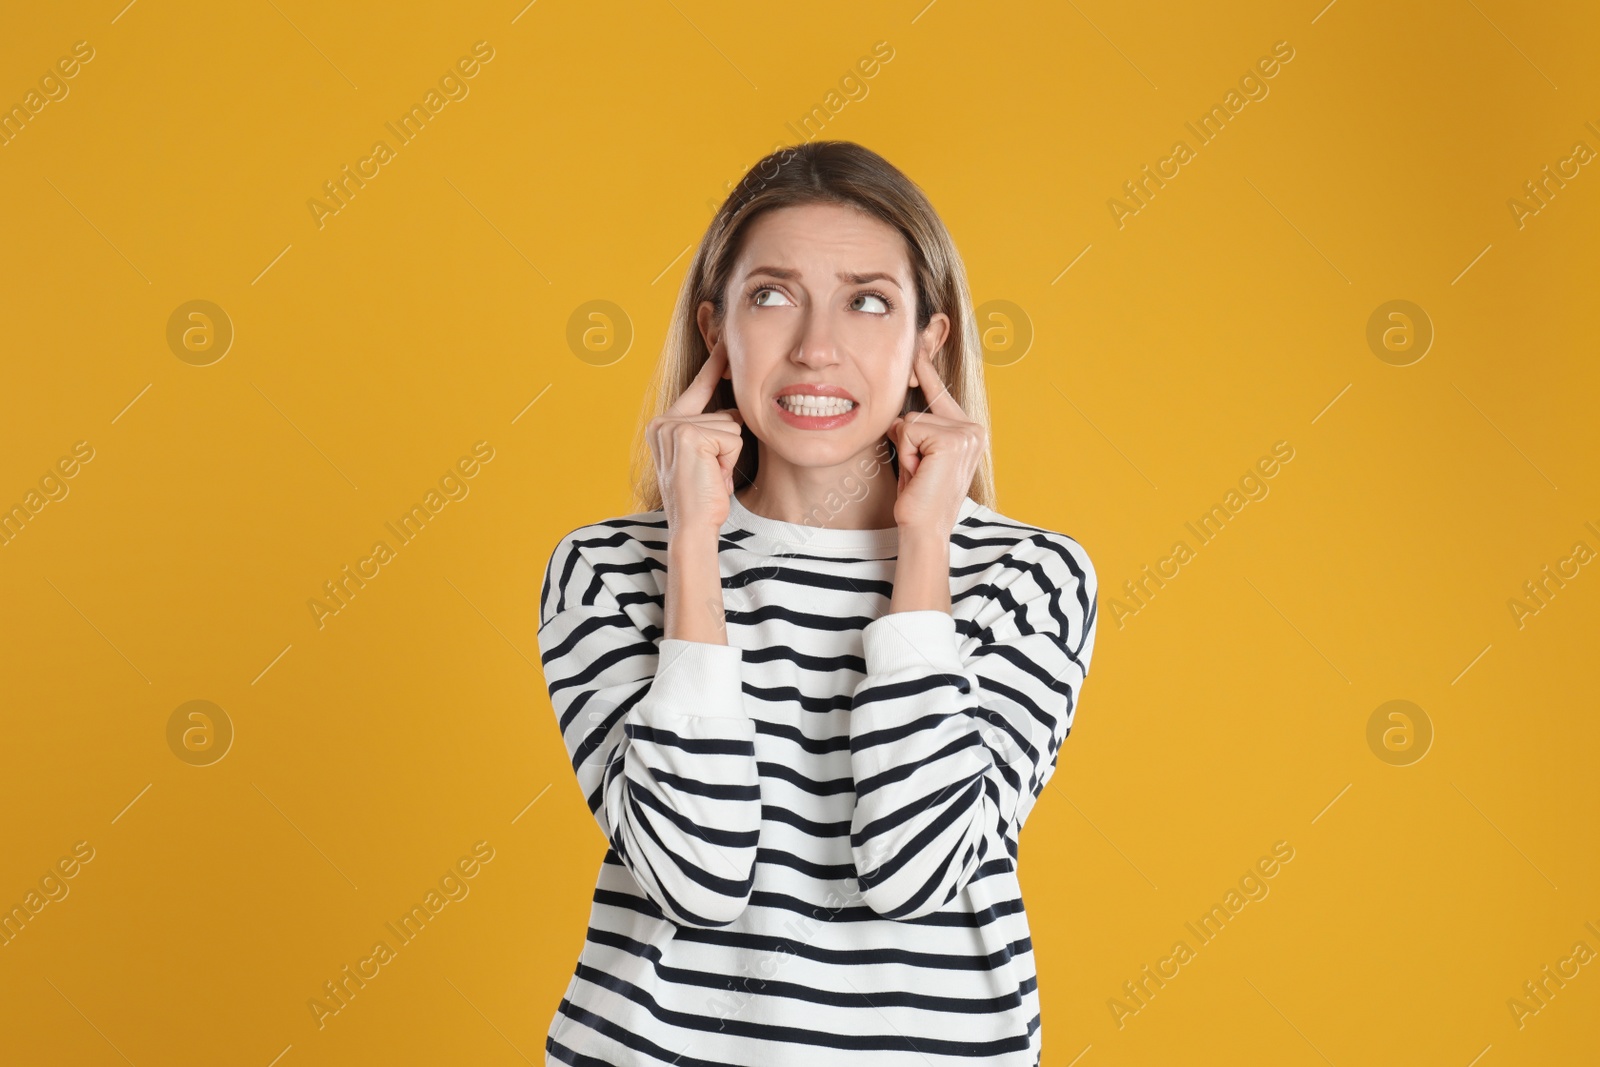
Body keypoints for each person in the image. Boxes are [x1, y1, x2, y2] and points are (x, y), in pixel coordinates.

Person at [536, 140, 1098, 1067]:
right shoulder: (607, 569)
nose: (816, 349)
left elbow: (917, 868)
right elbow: (696, 874)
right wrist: (691, 548)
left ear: (930, 342)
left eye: (868, 301)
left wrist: (923, 548)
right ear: (716, 334)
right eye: (773, 295)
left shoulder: (1031, 577)